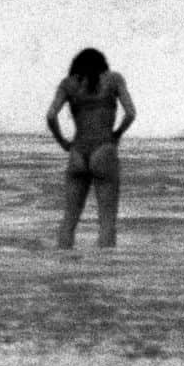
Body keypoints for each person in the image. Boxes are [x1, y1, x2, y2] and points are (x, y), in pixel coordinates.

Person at [46, 48, 136, 250]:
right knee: (106, 223)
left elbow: (51, 115)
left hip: (77, 152)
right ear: (103, 64)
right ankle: (103, 274)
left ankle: (63, 268)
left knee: (69, 221)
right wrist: (117, 133)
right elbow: (130, 113)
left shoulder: (68, 84)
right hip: (104, 149)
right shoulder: (114, 80)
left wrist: (61, 141)